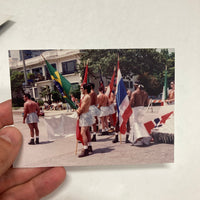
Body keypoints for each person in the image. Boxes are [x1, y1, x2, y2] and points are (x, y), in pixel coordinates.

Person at [0, 100, 66, 199]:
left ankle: (32, 139)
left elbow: (25, 111)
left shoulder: (26, 104)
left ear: (26, 97)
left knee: (31, 129)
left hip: (30, 115)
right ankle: (37, 139)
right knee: (36, 128)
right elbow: (39, 110)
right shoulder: (34, 103)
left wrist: (24, 118)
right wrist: (38, 114)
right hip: (34, 114)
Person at [129, 81, 152, 146]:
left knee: (136, 124)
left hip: (136, 109)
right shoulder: (145, 93)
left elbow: (131, 101)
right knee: (140, 124)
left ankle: (139, 139)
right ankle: (144, 138)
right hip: (142, 108)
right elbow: (147, 103)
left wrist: (129, 106)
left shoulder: (135, 93)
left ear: (136, 85)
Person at [77, 84, 94, 157]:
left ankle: (85, 149)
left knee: (83, 132)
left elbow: (82, 107)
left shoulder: (86, 97)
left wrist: (77, 112)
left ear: (85, 89)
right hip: (87, 114)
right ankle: (89, 146)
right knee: (87, 131)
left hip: (84, 115)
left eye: (82, 88)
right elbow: (82, 106)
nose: (81, 90)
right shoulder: (87, 96)